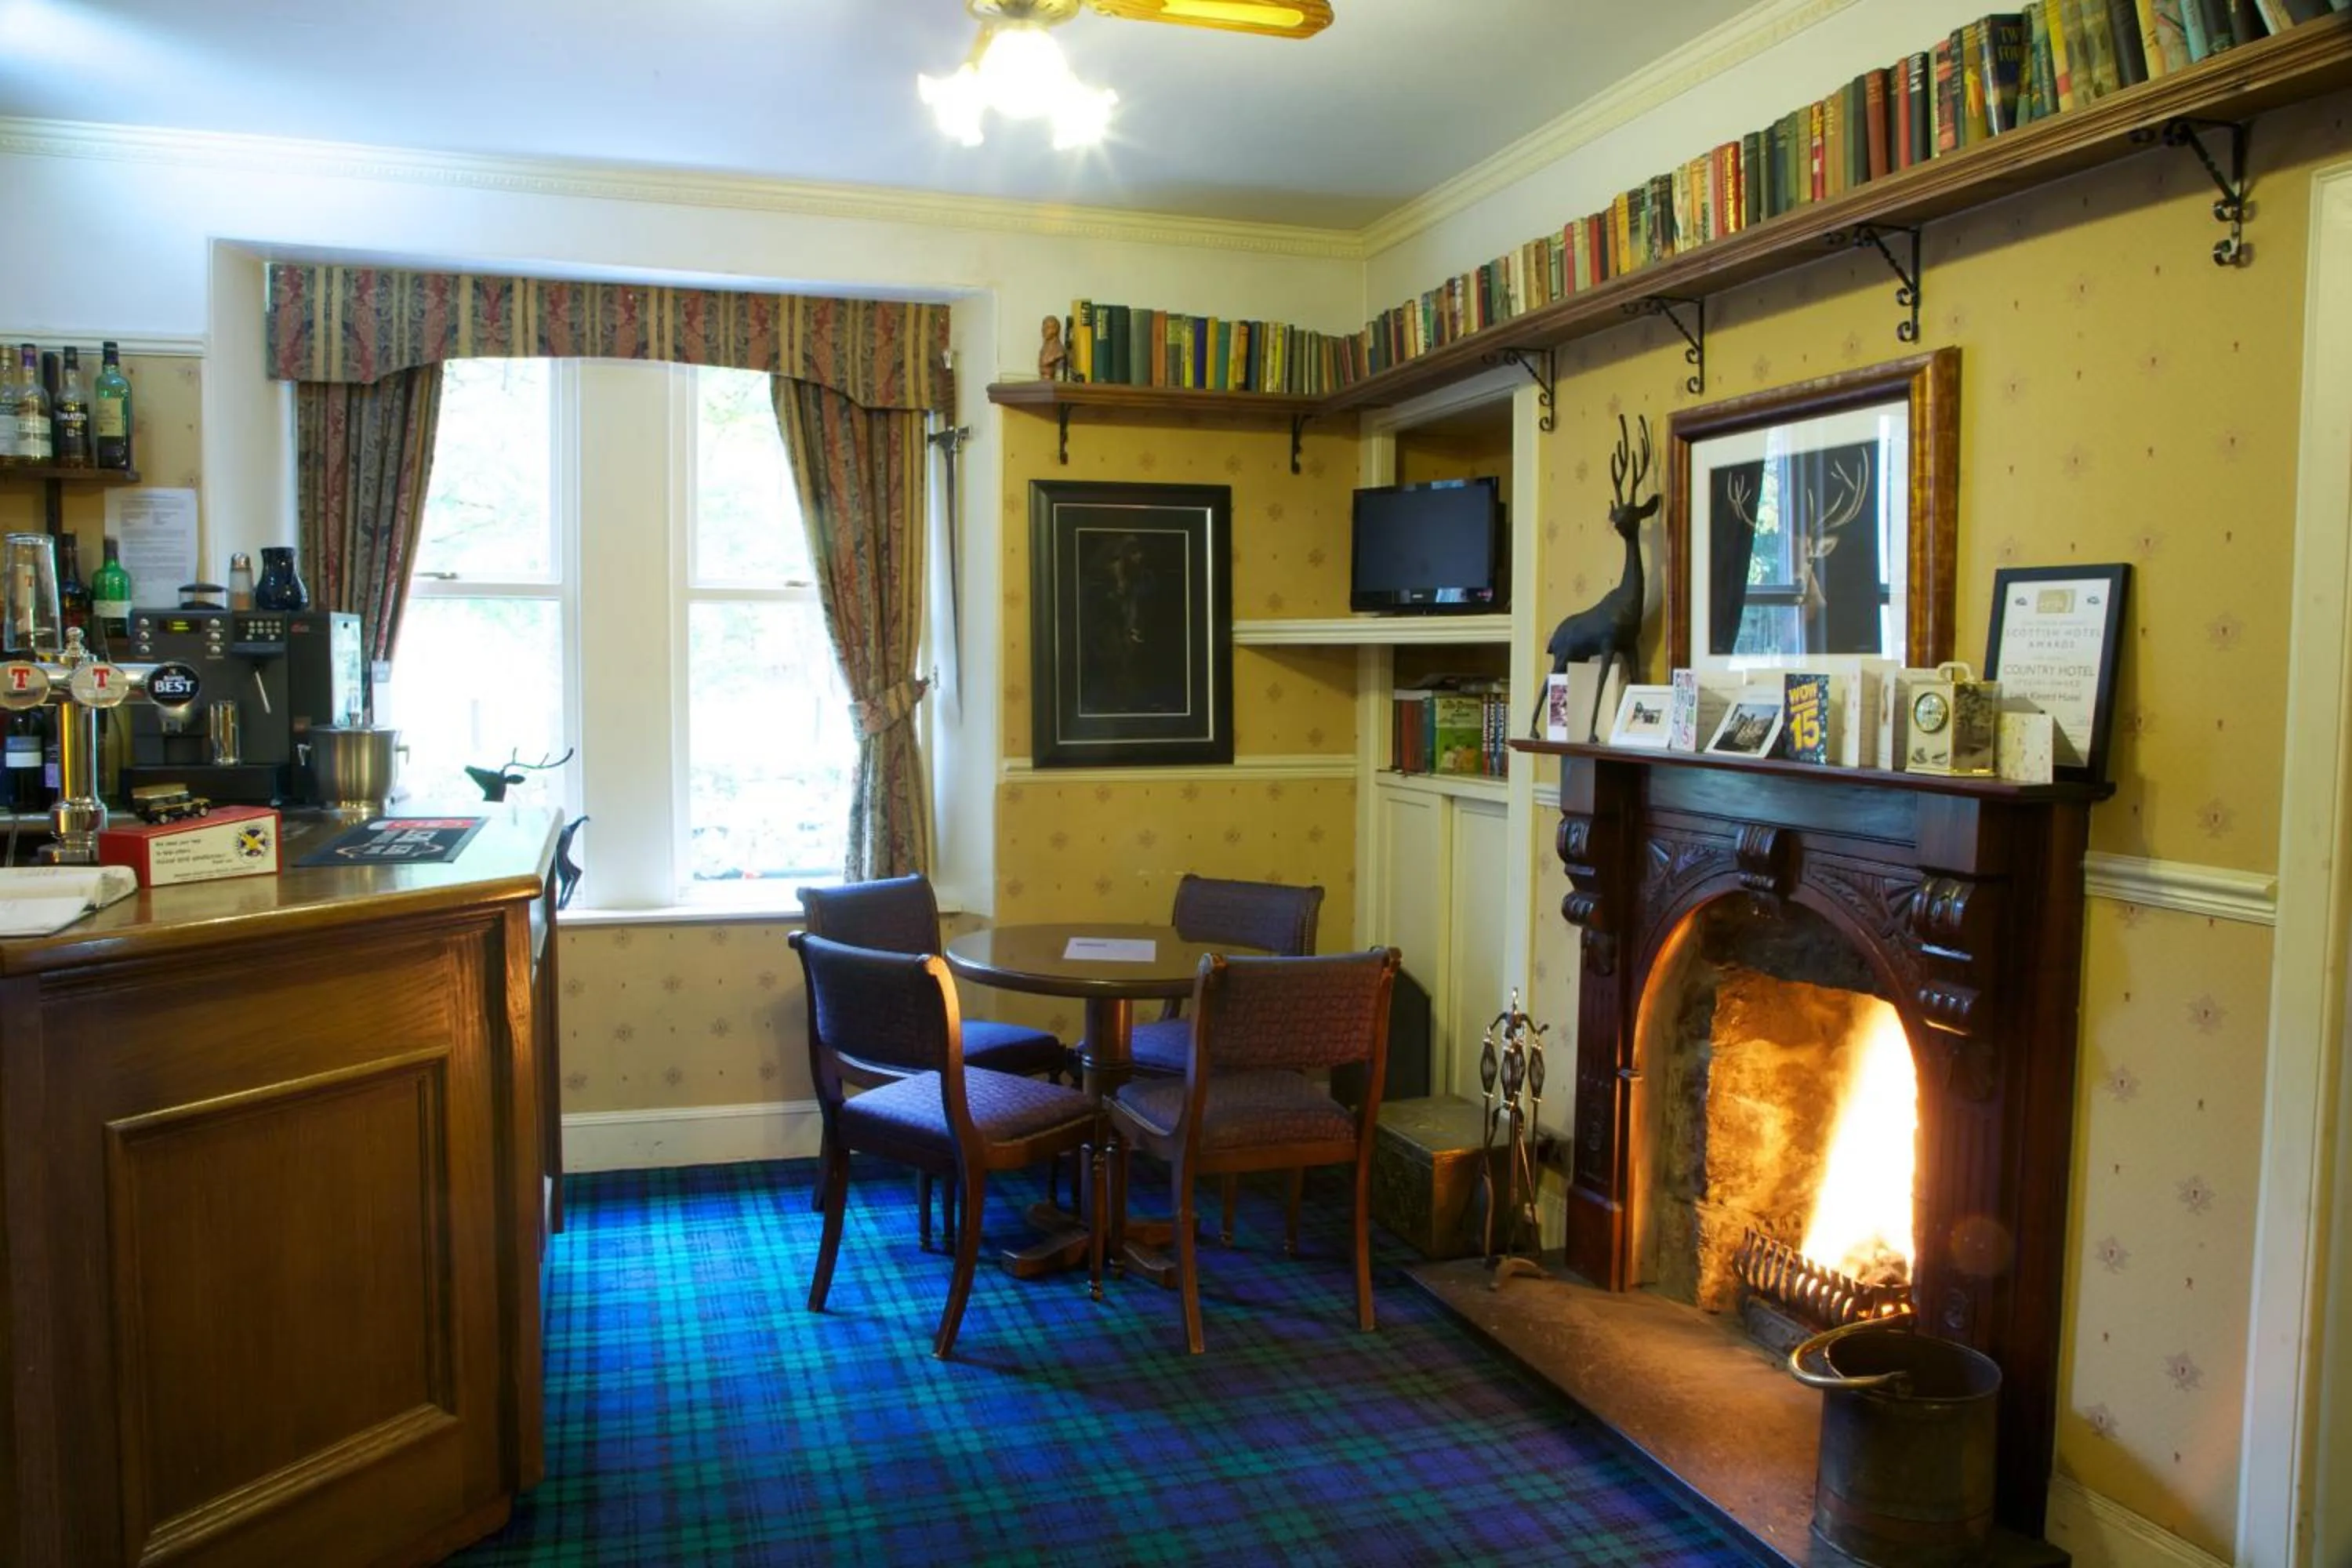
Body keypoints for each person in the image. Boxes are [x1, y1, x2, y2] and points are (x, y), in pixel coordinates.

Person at [1038, 314, 1068, 381]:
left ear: (1055, 330)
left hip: (1052, 384)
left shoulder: (1059, 350)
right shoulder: (1044, 348)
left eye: (1048, 327)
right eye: (1044, 327)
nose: (1043, 330)